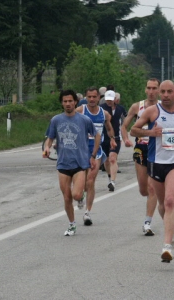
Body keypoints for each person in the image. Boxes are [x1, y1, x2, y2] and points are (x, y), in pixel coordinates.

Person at [130, 80, 174, 263]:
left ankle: (167, 246)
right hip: (156, 162)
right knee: (161, 204)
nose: (166, 95)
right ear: (159, 93)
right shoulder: (152, 112)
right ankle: (170, 229)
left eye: (169, 92)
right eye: (163, 92)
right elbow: (133, 130)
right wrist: (151, 133)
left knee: (169, 201)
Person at [43, 89, 101, 236]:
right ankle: (71, 224)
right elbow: (49, 138)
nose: (68, 104)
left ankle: (80, 197)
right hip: (63, 164)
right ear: (62, 103)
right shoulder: (56, 120)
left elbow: (97, 135)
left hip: (80, 164)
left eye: (70, 101)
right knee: (67, 197)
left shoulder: (84, 120)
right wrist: (47, 148)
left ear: (75, 102)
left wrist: (93, 155)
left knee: (75, 195)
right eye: (65, 101)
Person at [121, 78, 160, 236]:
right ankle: (148, 212)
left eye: (154, 88)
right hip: (140, 148)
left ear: (158, 90)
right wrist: (125, 139)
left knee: (152, 188)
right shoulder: (137, 107)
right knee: (143, 189)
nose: (151, 91)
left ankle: (147, 223)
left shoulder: (162, 107)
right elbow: (125, 126)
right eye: (149, 88)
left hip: (156, 149)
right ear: (145, 90)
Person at [76, 87, 117, 225]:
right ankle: (80, 194)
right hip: (81, 151)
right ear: (86, 98)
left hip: (96, 151)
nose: (92, 100)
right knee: (82, 183)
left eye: (94, 97)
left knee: (91, 180)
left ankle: (87, 213)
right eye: (89, 97)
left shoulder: (104, 113)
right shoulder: (81, 111)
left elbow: (109, 127)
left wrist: (112, 139)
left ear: (99, 98)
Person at [100, 90, 127, 191]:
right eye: (107, 99)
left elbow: (126, 120)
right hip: (103, 138)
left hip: (116, 137)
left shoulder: (120, 109)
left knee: (112, 158)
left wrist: (125, 135)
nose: (109, 101)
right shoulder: (101, 108)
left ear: (115, 99)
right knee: (106, 161)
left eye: (111, 100)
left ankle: (113, 182)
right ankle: (109, 176)